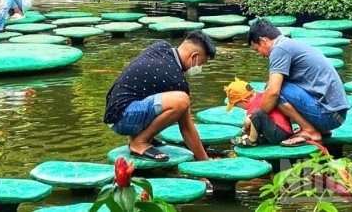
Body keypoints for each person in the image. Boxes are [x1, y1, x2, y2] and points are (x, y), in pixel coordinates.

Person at [103, 31, 216, 162]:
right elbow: (186, 127)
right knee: (181, 100)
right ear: (194, 56)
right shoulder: (175, 78)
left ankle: (138, 137)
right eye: (202, 63)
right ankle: (139, 142)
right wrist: (205, 161)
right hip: (121, 119)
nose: (200, 67)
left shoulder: (161, 48)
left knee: (174, 99)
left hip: (116, 111)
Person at [248, 20, 350, 147]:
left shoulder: (279, 49)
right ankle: (316, 129)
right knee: (276, 88)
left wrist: (255, 119)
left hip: (328, 116)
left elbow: (273, 92)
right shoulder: (290, 44)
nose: (261, 55)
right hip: (336, 116)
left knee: (273, 89)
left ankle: (310, 131)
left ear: (263, 40)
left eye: (257, 50)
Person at [224, 78, 294, 147]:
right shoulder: (262, 97)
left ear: (244, 100)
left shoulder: (254, 106)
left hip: (279, 135)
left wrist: (245, 128)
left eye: (236, 104)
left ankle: (251, 140)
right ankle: (261, 139)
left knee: (257, 114)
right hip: (285, 132)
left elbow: (247, 121)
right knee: (257, 117)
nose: (238, 107)